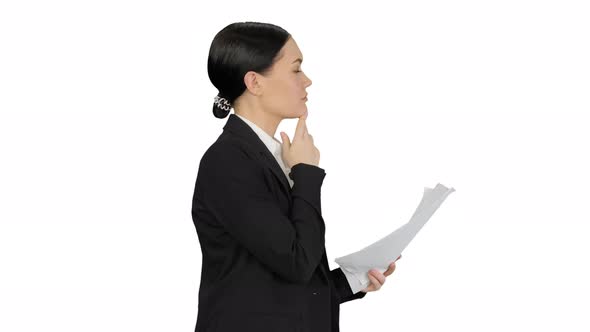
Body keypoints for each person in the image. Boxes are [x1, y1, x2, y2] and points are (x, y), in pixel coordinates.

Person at [192, 21, 400, 332]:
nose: (308, 81)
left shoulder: (270, 156)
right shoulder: (228, 161)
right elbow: (297, 262)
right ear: (255, 82)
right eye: (295, 69)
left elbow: (276, 281)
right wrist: (306, 173)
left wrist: (354, 279)